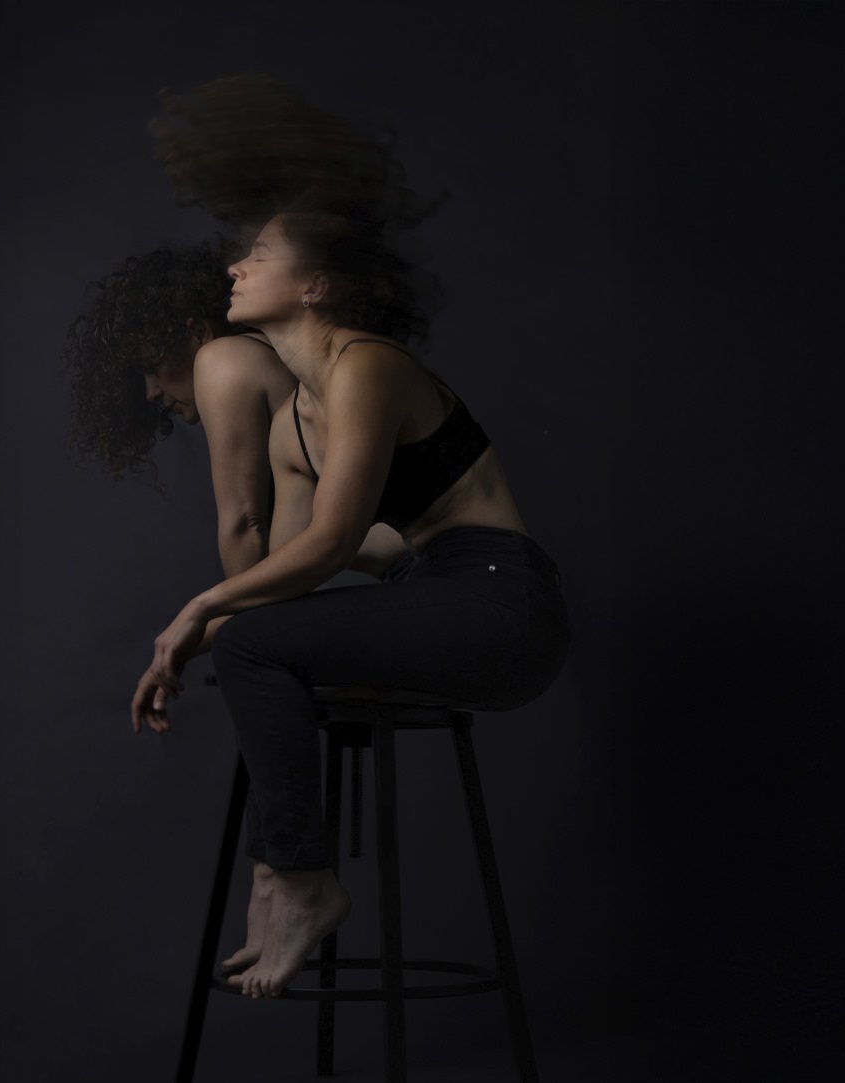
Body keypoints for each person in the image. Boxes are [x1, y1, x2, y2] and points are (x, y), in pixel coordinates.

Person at [128, 207, 571, 1000]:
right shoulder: (293, 425)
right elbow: (293, 577)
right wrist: (177, 651)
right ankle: (278, 873)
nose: (234, 267)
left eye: (257, 254)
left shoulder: (367, 365)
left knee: (249, 643)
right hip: (428, 592)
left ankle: (300, 880)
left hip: (502, 606)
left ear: (315, 284)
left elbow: (331, 543)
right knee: (252, 641)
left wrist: (198, 609)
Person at [64, 239, 410, 577]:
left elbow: (244, 525)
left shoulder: (222, 362)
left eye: (153, 366)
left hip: (424, 566)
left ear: (198, 331)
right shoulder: (275, 357)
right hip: (418, 567)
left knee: (232, 634)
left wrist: (241, 624)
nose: (150, 392)